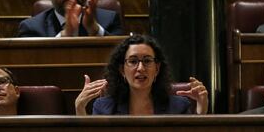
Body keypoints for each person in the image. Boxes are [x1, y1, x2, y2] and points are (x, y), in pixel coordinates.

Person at [75, 34, 209, 115]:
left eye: (147, 61)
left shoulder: (179, 107)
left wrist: (201, 111)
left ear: (157, 68)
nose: (140, 68)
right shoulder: (104, 107)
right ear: (122, 70)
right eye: (133, 61)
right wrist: (80, 108)